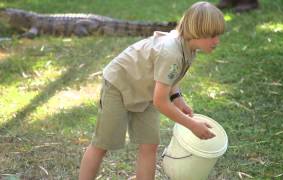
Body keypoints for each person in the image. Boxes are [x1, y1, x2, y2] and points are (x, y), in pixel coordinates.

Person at [79, 1, 225, 180]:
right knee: (102, 144)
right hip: (119, 85)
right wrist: (191, 124)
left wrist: (177, 97)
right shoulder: (171, 52)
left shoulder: (189, 48)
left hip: (146, 91)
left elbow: (168, 78)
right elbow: (160, 102)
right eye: (213, 35)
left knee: (150, 144)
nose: (217, 41)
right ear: (197, 32)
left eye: (219, 35)